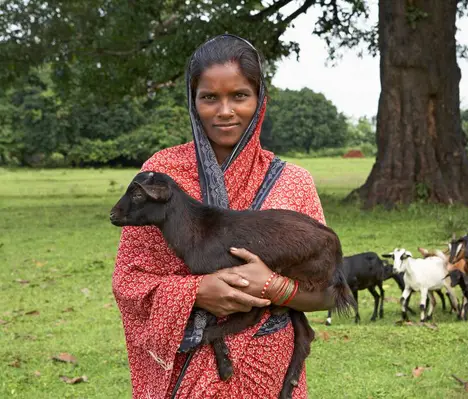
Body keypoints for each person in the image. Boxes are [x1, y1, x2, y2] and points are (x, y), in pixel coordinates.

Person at [112, 34, 334, 399]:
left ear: (259, 99)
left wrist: (273, 287)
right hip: (185, 374)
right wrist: (196, 291)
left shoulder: (293, 183)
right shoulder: (163, 175)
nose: (225, 110)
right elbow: (130, 284)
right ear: (192, 99)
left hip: (267, 372)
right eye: (210, 97)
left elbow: (327, 293)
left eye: (239, 96)